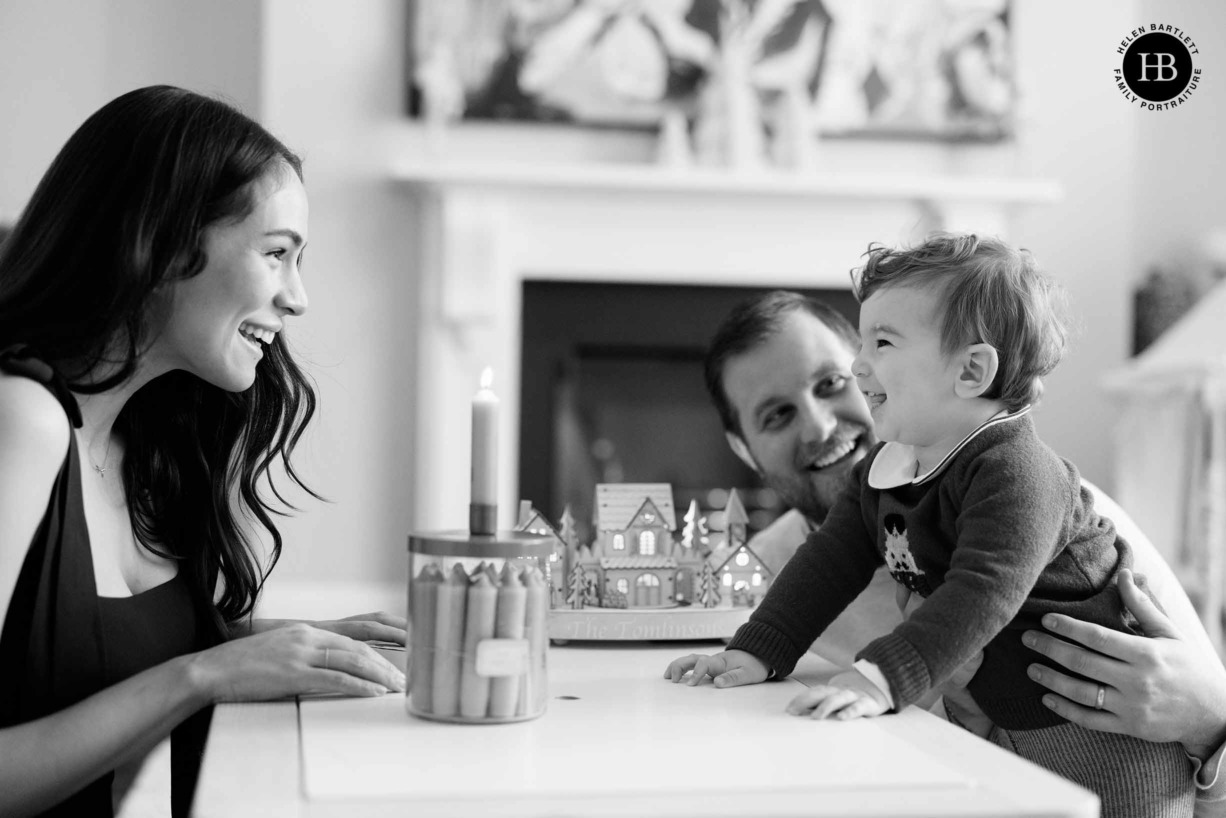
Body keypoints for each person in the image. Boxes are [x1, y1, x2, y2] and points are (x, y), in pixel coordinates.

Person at [666, 237, 1212, 816]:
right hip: (1008, 730)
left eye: (879, 344)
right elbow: (828, 561)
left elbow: (984, 588)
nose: (859, 366)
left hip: (1111, 738)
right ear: (741, 448)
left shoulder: (1021, 474)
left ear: (971, 370)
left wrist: (881, 678)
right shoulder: (889, 470)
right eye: (777, 414)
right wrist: (758, 651)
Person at [0, 86, 407, 818]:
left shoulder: (143, 438)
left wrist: (288, 645)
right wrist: (206, 674)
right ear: (159, 243)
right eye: (276, 254)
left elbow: (95, 659)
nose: (298, 298)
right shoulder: (21, 422)